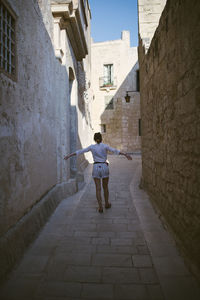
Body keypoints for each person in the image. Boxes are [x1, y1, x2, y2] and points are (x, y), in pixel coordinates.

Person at [64, 132, 132, 213]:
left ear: (94, 139)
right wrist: (125, 154)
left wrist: (69, 155)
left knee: (98, 188)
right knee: (105, 187)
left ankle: (100, 207)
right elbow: (115, 151)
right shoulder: (105, 146)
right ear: (101, 138)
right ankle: (106, 203)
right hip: (104, 167)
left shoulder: (92, 147)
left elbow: (81, 151)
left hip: (96, 167)